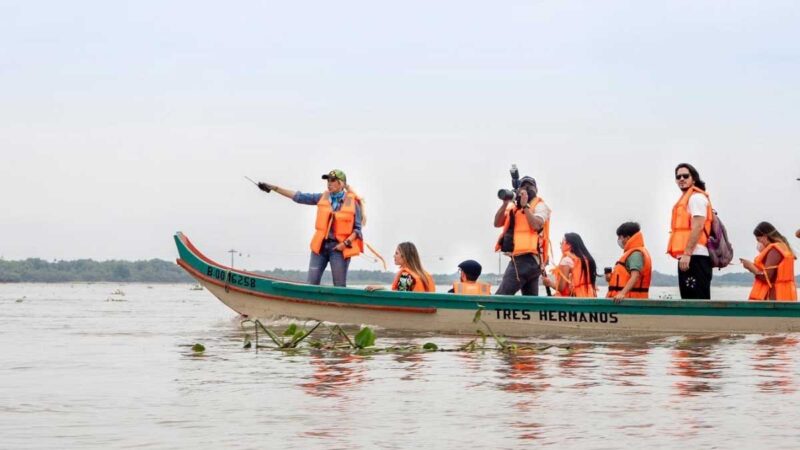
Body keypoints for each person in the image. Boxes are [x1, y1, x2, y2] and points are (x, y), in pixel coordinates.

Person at [257, 169, 362, 287]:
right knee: (311, 284)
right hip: (320, 247)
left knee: (339, 286)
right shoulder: (322, 197)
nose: (329, 183)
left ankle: (339, 304)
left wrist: (345, 243)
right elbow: (299, 197)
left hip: (339, 249)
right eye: (328, 180)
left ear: (341, 183)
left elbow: (357, 230)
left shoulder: (353, 202)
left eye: (333, 180)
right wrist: (275, 188)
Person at [493, 176, 551, 296]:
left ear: (535, 190)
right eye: (523, 187)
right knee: (530, 301)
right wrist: (505, 204)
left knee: (502, 296)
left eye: (529, 187)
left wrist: (525, 206)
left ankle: (488, 313)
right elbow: (497, 223)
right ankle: (532, 314)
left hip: (527, 259)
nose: (526, 189)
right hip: (524, 260)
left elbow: (536, 225)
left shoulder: (540, 206)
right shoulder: (514, 208)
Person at [667, 163, 714, 299]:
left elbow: (698, 226)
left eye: (685, 176)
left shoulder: (696, 198)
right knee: (688, 298)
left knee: (696, 300)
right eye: (678, 176)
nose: (681, 179)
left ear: (693, 179)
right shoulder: (688, 198)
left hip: (695, 257)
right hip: (691, 257)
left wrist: (687, 253)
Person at [740, 222, 797, 301]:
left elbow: (766, 277)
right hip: (783, 299)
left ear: (765, 237)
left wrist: (750, 267)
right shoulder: (781, 247)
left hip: (776, 300)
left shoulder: (775, 250)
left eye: (758, 240)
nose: (758, 243)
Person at [542, 233, 598, 297]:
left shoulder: (567, 260)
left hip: (576, 299)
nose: (560, 246)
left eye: (562, 243)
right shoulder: (589, 260)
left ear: (569, 245)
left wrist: (549, 283)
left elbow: (561, 288)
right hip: (591, 297)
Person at [608, 222, 652, 301]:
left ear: (627, 238)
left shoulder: (636, 254)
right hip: (624, 300)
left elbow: (635, 276)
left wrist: (622, 293)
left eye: (620, 237)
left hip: (630, 300)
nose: (618, 240)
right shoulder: (631, 252)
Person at [367, 242, 435, 292]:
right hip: (425, 310)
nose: (394, 256)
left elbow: (400, 296)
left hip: (411, 311)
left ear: (405, 256)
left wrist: (382, 289)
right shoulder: (425, 275)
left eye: (396, 253)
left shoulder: (407, 275)